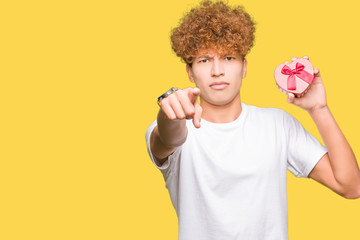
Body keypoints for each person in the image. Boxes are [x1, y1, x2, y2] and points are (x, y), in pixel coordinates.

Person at [145, 0, 360, 239]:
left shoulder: (277, 124)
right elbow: (168, 137)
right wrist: (169, 113)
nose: (217, 70)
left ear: (244, 67)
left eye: (228, 58)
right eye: (204, 60)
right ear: (190, 71)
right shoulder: (171, 125)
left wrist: (319, 108)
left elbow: (351, 186)